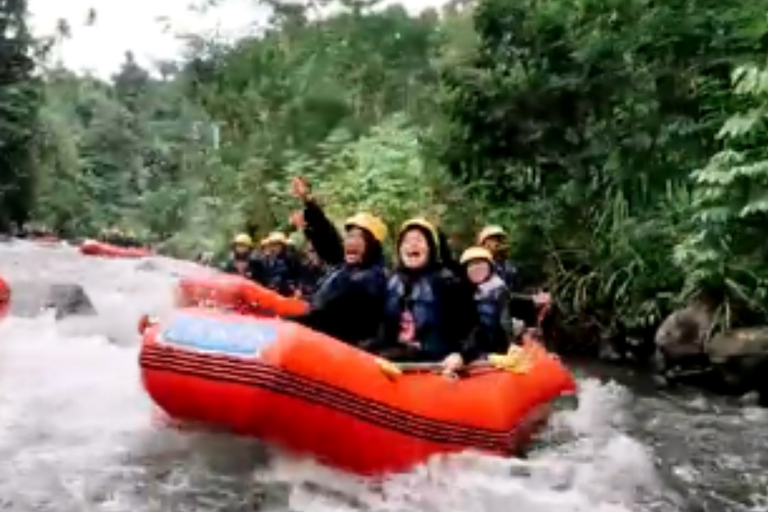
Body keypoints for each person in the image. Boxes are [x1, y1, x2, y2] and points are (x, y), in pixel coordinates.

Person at [363, 218, 480, 374]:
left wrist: (462, 355)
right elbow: (381, 328)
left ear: (430, 248)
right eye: (406, 241)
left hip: (435, 365)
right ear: (399, 249)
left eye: (419, 239)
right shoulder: (390, 281)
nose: (412, 244)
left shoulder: (449, 282)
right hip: (397, 360)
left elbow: (475, 328)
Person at [285, 177, 388, 345]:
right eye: (350, 236)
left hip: (345, 348)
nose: (351, 241)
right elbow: (328, 237)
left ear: (372, 246)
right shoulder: (350, 267)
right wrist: (308, 201)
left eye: (360, 237)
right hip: (324, 333)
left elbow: (329, 320)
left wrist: (287, 324)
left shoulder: (371, 279)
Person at [256, 231, 301, 297]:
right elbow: (264, 276)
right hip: (272, 292)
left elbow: (297, 276)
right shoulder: (268, 259)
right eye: (273, 245)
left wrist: (295, 288)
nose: (274, 248)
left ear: (283, 246)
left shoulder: (291, 259)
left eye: (277, 245)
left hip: (288, 292)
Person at [477, 225, 520, 290]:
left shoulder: (509, 266)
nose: (498, 242)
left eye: (499, 239)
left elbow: (515, 288)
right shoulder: (478, 264)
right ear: (484, 244)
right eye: (493, 239)